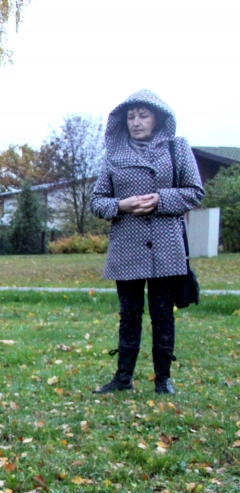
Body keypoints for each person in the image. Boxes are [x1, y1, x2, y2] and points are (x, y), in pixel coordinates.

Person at [90, 90, 204, 395]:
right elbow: (97, 202)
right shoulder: (113, 155)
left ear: (157, 118)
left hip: (167, 246)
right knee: (129, 314)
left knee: (163, 314)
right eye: (131, 116)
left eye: (143, 115)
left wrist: (160, 199)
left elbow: (195, 192)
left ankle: (163, 380)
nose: (136, 122)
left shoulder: (177, 148)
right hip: (126, 246)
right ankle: (123, 378)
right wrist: (122, 205)